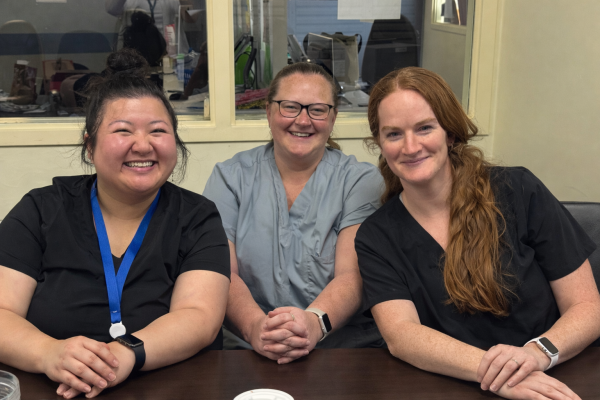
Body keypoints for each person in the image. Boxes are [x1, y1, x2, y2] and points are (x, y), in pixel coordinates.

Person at [356, 66, 600, 400]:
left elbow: (587, 306)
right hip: (457, 383)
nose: (410, 147)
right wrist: (500, 373)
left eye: (425, 128)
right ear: (379, 144)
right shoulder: (377, 235)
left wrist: (535, 354)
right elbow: (401, 335)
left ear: (450, 133)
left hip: (555, 373)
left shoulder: (518, 190)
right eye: (393, 134)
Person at [0, 48, 230, 399]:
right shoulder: (41, 209)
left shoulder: (198, 216)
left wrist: (127, 353)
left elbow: (199, 317)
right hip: (56, 390)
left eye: (158, 130)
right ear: (89, 146)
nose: (143, 145)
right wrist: (48, 353)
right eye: (123, 130)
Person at [203, 62, 385, 364]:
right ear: (268, 111)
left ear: (333, 117)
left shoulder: (359, 181)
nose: (303, 120)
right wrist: (255, 327)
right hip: (247, 351)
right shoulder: (230, 178)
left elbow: (352, 275)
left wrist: (314, 323)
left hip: (337, 351)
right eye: (290, 107)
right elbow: (222, 272)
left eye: (317, 109)